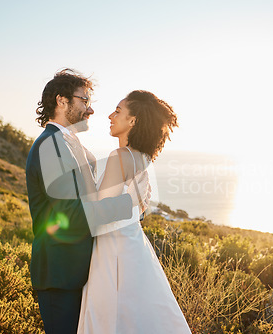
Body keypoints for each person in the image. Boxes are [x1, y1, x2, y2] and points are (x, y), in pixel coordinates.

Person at [25, 69, 150, 334]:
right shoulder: (50, 146)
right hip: (61, 276)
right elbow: (70, 216)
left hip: (84, 273)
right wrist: (129, 205)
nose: (90, 110)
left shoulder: (76, 148)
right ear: (61, 101)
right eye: (84, 100)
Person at [64, 90, 192, 333]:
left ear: (133, 121)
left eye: (118, 111)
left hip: (113, 252)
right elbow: (137, 208)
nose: (111, 116)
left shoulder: (120, 157)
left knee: (112, 319)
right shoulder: (143, 158)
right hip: (134, 246)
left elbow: (101, 214)